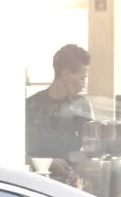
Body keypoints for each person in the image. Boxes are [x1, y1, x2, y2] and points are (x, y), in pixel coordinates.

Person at [26, 43, 93, 184]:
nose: (84, 84)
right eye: (81, 78)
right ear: (66, 75)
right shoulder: (31, 106)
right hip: (35, 182)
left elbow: (88, 149)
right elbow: (18, 153)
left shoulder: (81, 107)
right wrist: (49, 162)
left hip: (69, 182)